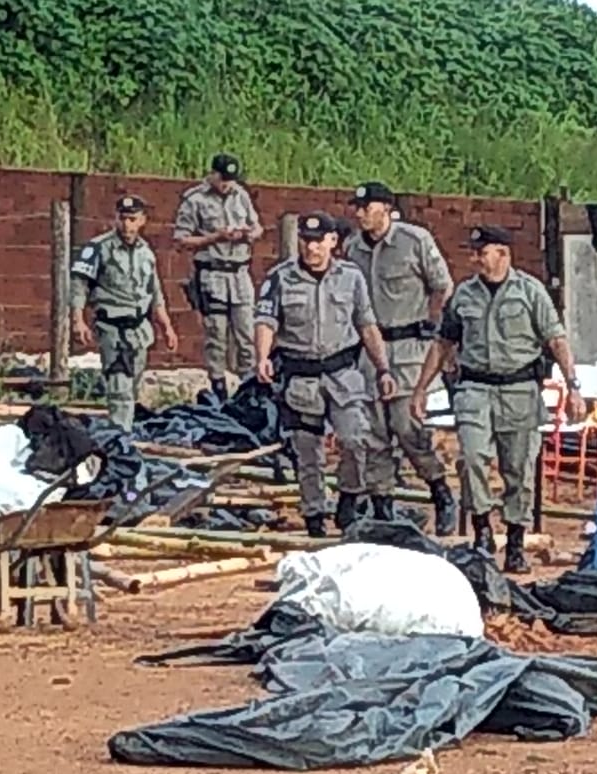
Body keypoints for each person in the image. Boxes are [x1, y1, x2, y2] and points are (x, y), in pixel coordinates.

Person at [410, 225, 585, 573]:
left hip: (520, 391)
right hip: (475, 389)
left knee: (518, 468)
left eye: (481, 252)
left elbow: (556, 340)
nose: (475, 258)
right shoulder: (464, 294)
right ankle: (482, 531)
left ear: (502, 253)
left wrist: (574, 386)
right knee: (472, 458)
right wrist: (421, 390)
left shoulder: (530, 292)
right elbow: (443, 343)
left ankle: (516, 542)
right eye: (474, 252)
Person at [255, 210, 397, 538]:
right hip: (301, 376)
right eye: (306, 241)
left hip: (342, 374)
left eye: (318, 241)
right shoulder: (280, 278)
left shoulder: (351, 276)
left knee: (355, 438)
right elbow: (266, 320)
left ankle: (349, 497)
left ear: (333, 241)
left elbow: (366, 324)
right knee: (307, 450)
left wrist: (383, 369)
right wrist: (262, 357)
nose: (311, 248)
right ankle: (315, 513)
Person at [344, 182, 457, 534]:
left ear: (386, 208)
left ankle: (440, 491)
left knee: (408, 427)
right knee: (373, 432)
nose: (360, 214)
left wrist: (434, 323)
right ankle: (383, 505)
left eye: (366, 207)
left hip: (409, 347)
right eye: (357, 208)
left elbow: (443, 285)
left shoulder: (414, 240)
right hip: (371, 349)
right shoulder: (353, 248)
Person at [70, 195, 178, 431]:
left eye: (133, 219)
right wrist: (78, 320)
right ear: (116, 219)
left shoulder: (146, 253)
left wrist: (167, 327)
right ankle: (121, 437)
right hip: (112, 328)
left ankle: (122, 430)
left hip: (139, 329)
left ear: (142, 220)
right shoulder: (98, 248)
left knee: (133, 386)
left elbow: (155, 292)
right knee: (120, 389)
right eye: (123, 218)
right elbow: (79, 285)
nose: (127, 225)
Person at [173, 153, 263, 401]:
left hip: (240, 273)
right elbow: (181, 240)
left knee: (247, 334)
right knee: (217, 336)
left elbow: (257, 226)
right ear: (212, 174)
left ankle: (248, 390)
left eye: (230, 180)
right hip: (213, 274)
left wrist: (248, 234)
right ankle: (219, 389)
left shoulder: (241, 195)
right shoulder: (195, 199)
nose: (226, 185)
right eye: (222, 179)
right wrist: (215, 237)